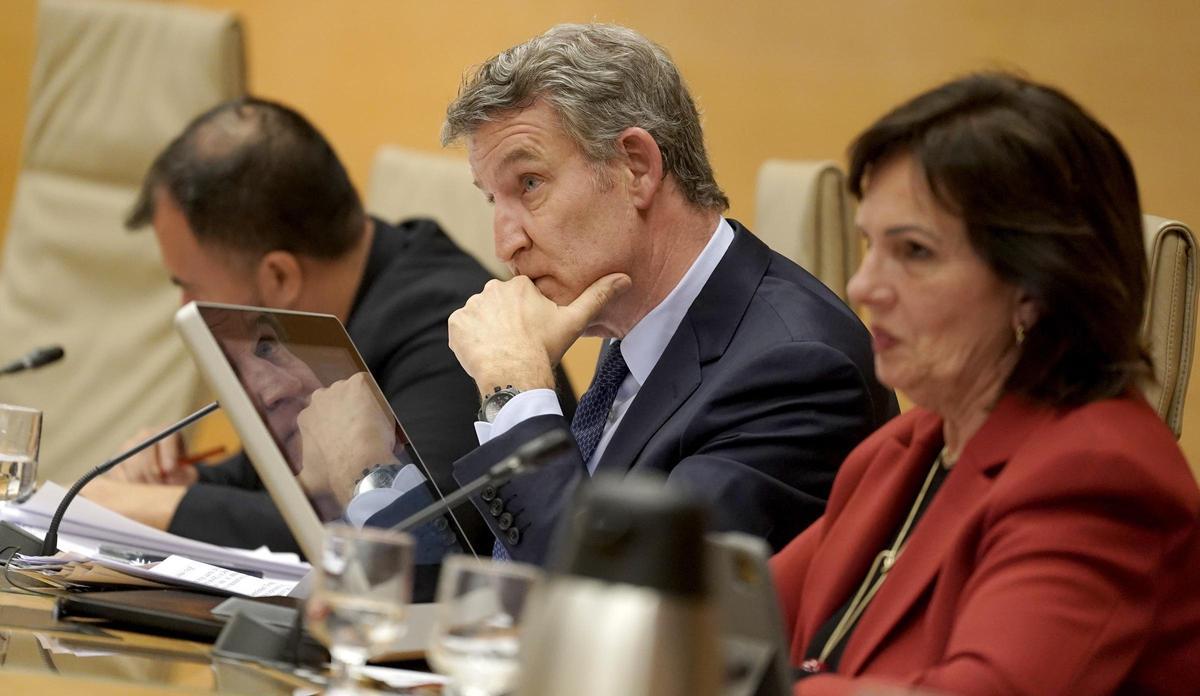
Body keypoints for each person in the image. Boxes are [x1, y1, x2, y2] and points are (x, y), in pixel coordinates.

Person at [361, 24, 897, 564]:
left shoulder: (796, 371)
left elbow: (611, 598)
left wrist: (515, 390)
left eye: (529, 184)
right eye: (492, 200)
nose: (506, 243)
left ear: (635, 167)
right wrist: (365, 476)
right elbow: (490, 578)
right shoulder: (633, 331)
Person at [770, 72, 1200, 695]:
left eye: (913, 252)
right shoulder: (907, 448)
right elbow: (730, 614)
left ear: (1035, 287)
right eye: (869, 245)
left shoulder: (1098, 477)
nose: (863, 286)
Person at [81, 97, 577, 556]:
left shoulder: (449, 331)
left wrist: (137, 507)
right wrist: (177, 484)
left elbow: (410, 539)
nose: (185, 307)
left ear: (278, 276)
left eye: (189, 286)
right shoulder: (332, 313)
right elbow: (273, 482)